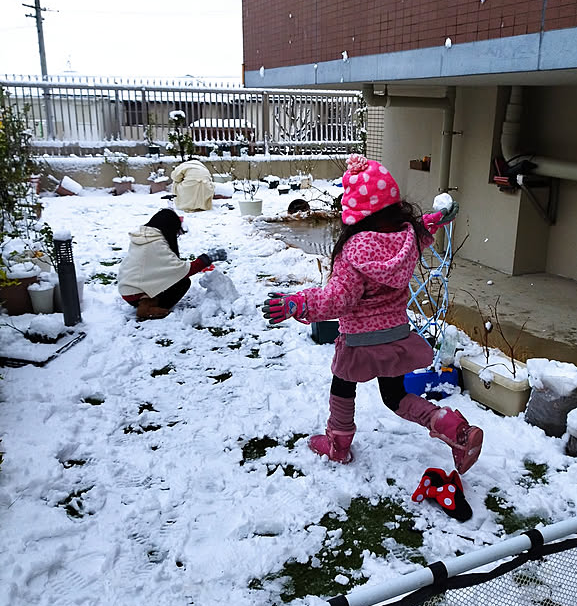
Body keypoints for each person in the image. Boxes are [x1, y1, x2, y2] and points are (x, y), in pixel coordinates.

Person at [261, 154, 483, 473]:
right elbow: (423, 229)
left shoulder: (354, 251)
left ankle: (338, 445)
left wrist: (298, 303)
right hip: (395, 336)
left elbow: (339, 299)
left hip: (359, 341)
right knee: (395, 397)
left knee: (342, 386)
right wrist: (439, 217)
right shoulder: (406, 237)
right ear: (392, 206)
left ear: (355, 213)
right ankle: (451, 426)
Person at [118, 208, 226, 319]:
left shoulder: (143, 237)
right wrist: (207, 259)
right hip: (137, 294)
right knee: (182, 283)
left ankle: (147, 302)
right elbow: (181, 271)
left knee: (176, 281)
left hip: (127, 290)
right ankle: (147, 308)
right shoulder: (156, 243)